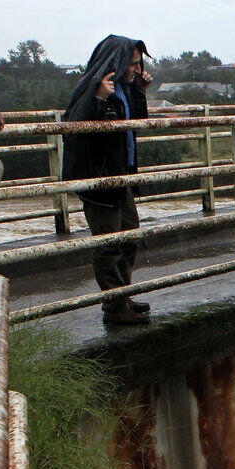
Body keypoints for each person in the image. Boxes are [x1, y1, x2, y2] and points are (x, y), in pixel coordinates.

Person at [61, 35, 153, 325]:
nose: (137, 69)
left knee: (129, 237)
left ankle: (121, 295)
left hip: (120, 177)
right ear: (118, 61)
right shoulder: (92, 89)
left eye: (139, 64)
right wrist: (100, 99)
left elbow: (135, 125)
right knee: (109, 244)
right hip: (99, 181)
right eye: (134, 63)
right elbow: (76, 127)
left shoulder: (124, 89)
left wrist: (139, 91)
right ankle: (114, 307)